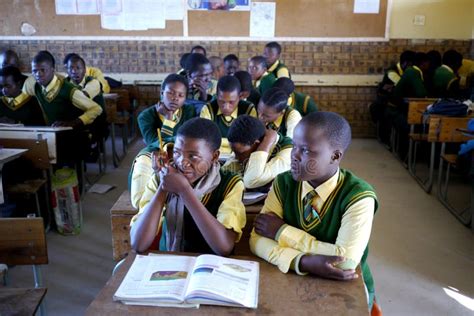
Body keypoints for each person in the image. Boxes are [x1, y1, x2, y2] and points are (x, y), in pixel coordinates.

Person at [250, 111, 378, 309]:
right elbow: (257, 240)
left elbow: (345, 261)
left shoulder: (358, 196)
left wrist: (281, 231)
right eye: (294, 146)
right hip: (290, 278)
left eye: (307, 151)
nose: (294, 156)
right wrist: (302, 262)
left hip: (344, 287)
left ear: (335, 156)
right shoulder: (283, 182)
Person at [130, 118, 246, 256]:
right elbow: (138, 243)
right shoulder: (162, 177)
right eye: (177, 153)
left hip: (210, 267)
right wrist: (163, 187)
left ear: (215, 156)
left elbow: (224, 247)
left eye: (193, 156)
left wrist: (184, 190)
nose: (182, 162)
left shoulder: (230, 183)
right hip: (169, 262)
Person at [23, 51, 102, 129]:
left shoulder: (68, 89)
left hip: (71, 134)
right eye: (34, 71)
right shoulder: (36, 87)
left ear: (53, 70)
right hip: (51, 132)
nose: (38, 74)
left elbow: (96, 109)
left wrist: (73, 123)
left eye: (43, 70)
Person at [223, 115, 292, 190]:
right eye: (234, 152)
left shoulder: (288, 152)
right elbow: (225, 176)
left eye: (240, 153)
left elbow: (250, 181)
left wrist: (267, 142)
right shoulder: (244, 144)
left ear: (256, 143)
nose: (236, 157)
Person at [200, 75, 257, 154]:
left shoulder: (248, 109)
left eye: (231, 102)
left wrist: (218, 142)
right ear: (216, 95)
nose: (226, 107)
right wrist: (237, 142)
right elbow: (205, 139)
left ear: (240, 96)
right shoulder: (208, 109)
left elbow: (250, 141)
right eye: (221, 101)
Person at [137, 74, 196, 146]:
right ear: (162, 93)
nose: (175, 98)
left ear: (185, 99)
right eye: (171, 93)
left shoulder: (189, 111)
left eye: (181, 95)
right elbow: (158, 146)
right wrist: (168, 118)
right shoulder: (145, 116)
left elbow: (191, 139)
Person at [65, 54, 108, 151]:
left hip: (95, 122)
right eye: (70, 68)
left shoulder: (93, 82)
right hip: (74, 120)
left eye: (78, 68)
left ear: (85, 70)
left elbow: (82, 96)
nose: (74, 71)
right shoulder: (65, 82)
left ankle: (92, 147)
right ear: (67, 70)